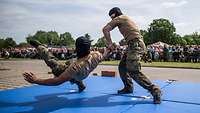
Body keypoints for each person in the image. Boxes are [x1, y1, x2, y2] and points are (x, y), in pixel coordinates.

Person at [102, 7, 161, 104]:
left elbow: (105, 29)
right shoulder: (126, 19)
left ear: (115, 14)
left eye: (112, 17)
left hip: (135, 45)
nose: (111, 20)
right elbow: (132, 35)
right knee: (122, 67)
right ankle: (128, 87)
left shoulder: (120, 18)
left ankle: (154, 90)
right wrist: (123, 42)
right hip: (133, 44)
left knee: (133, 70)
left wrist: (110, 44)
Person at [23, 36, 114, 92]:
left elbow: (57, 81)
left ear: (77, 49)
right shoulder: (96, 55)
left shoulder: (75, 67)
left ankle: (41, 48)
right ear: (89, 48)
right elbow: (104, 56)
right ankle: (80, 85)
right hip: (82, 73)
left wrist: (36, 80)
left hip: (77, 72)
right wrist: (108, 50)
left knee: (54, 65)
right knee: (72, 67)